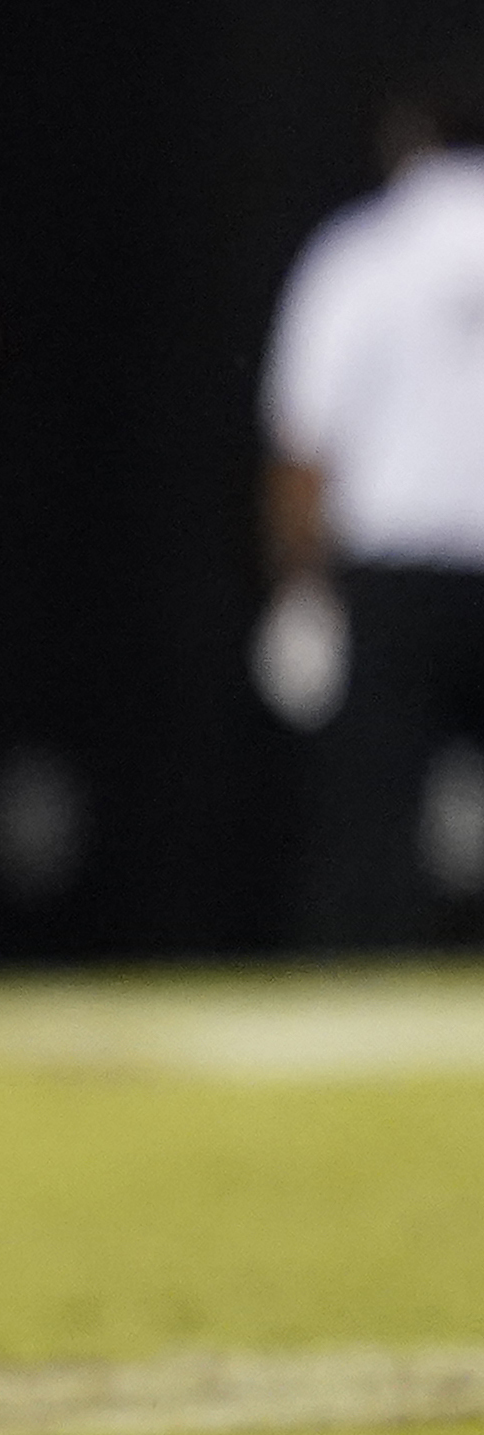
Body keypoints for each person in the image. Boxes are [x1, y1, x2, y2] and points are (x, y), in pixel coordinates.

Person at [258, 59, 484, 949]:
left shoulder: (365, 252)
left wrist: (299, 591)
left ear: (408, 140)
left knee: (374, 821)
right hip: (420, 566)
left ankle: (365, 979)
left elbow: (305, 443)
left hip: (397, 579)